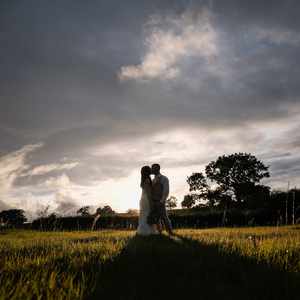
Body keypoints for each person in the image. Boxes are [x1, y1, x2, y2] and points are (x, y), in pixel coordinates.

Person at [147, 163, 173, 235]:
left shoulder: (164, 178)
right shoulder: (153, 179)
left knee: (164, 217)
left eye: (153, 168)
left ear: (158, 169)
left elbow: (166, 190)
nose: (151, 169)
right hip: (153, 201)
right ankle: (159, 231)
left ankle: (170, 231)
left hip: (160, 201)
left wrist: (162, 201)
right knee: (156, 218)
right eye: (152, 168)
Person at [137, 166, 158, 235]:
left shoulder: (143, 180)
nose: (151, 170)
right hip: (147, 199)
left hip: (143, 199)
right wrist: (151, 203)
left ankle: (144, 231)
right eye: (149, 169)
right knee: (148, 214)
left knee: (144, 215)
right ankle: (147, 232)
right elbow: (149, 193)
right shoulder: (147, 180)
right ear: (147, 171)